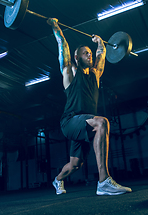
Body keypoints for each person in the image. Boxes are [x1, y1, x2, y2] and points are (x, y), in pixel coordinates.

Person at [47, 18, 132, 196]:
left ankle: (58, 180)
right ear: (77, 58)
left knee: (75, 164)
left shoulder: (95, 75)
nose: (89, 55)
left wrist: (100, 42)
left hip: (84, 123)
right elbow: (63, 47)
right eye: (85, 53)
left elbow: (101, 55)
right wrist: (56, 28)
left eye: (89, 52)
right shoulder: (69, 74)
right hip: (70, 122)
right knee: (102, 123)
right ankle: (103, 182)